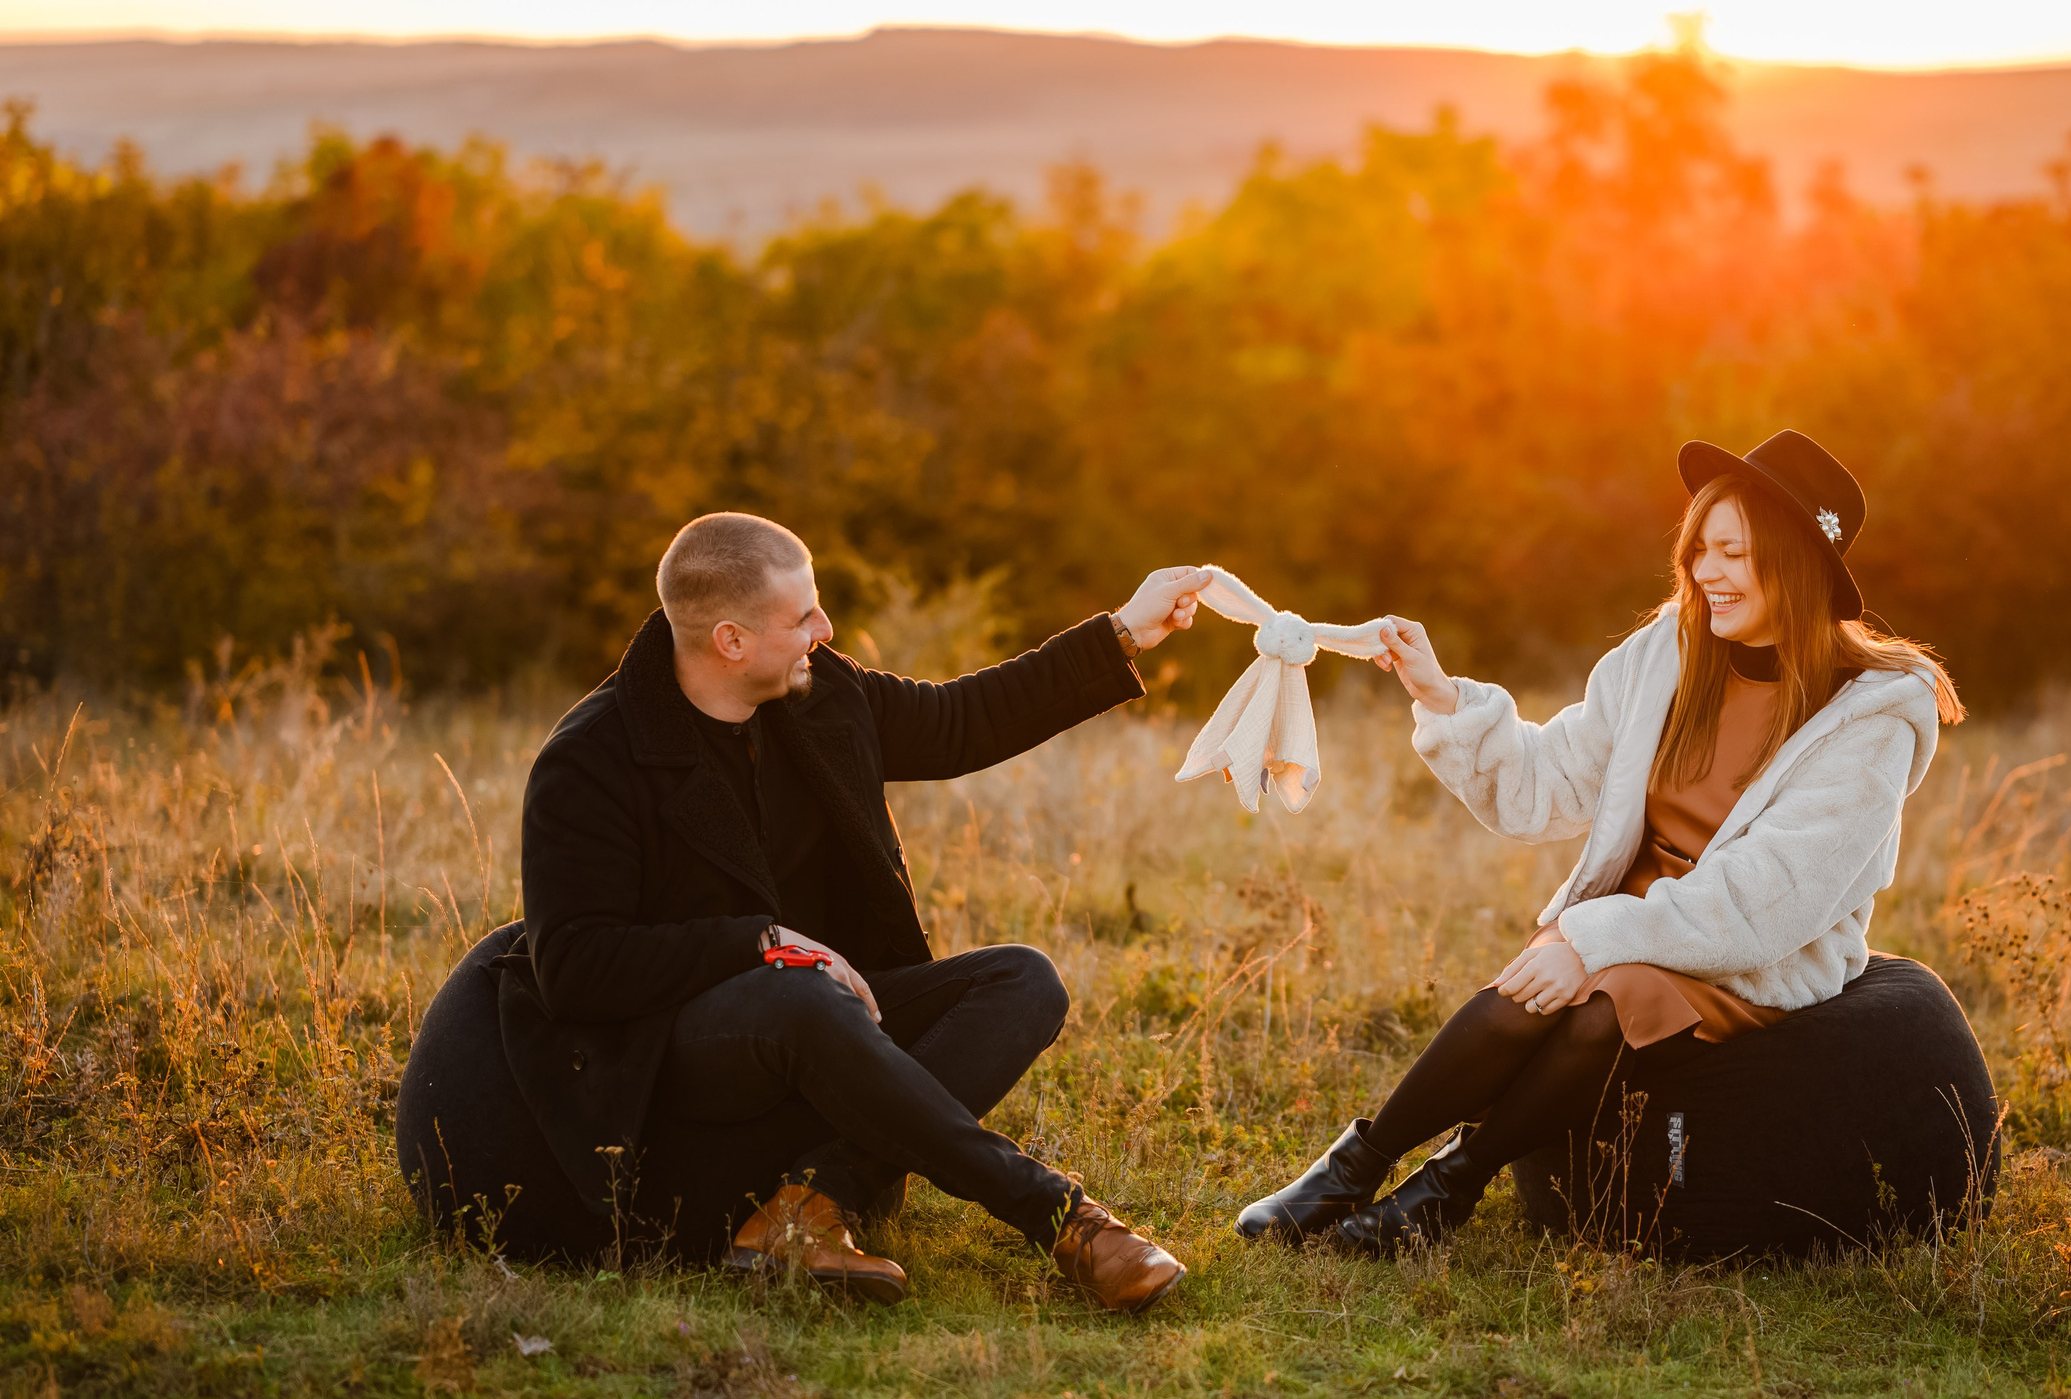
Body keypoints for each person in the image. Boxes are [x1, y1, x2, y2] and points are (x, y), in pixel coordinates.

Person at [1236, 431, 1965, 1253]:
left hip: (1751, 959)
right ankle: (1356, 1165)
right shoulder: (1669, 652)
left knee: (1601, 1000)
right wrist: (1442, 699)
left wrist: (1589, 937)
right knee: (1539, 989)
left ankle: (1451, 1183)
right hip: (1633, 924)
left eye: (1732, 552)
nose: (1706, 572)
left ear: (1795, 563)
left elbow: (1765, 900)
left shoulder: (1868, 716)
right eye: (1699, 550)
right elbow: (1546, 783)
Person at [506, 512, 1212, 1312]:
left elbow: (960, 721)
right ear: (731, 640)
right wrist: (759, 943)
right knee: (800, 992)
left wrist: (1123, 632)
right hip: (683, 1053)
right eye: (802, 615)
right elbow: (575, 967)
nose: (826, 628)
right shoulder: (592, 759)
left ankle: (814, 1199)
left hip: (831, 1016)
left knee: (1025, 981)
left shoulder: (821, 694)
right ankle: (1058, 1215)